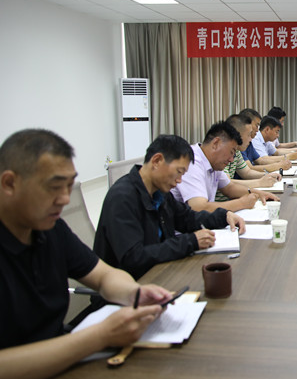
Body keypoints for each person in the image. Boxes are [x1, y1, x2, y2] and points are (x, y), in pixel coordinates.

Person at [0, 129, 173, 379]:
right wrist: (100, 336)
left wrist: (134, 293)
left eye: (69, 186)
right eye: (54, 187)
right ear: (9, 183)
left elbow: (103, 275)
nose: (64, 199)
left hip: (63, 358)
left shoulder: (51, 229)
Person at [94, 134, 245, 280]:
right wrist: (191, 241)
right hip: (131, 285)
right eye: (179, 172)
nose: (179, 181)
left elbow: (187, 218)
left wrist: (223, 216)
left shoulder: (160, 192)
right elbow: (133, 257)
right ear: (157, 161)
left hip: (161, 272)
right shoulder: (122, 197)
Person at [171, 121, 279, 212]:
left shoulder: (213, 162)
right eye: (231, 152)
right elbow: (199, 207)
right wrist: (241, 203)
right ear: (216, 143)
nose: (231, 159)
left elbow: (229, 188)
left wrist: (259, 193)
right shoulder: (193, 161)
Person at [215, 114, 282, 202]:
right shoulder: (221, 153)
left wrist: (267, 175)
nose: (251, 139)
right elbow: (228, 184)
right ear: (237, 134)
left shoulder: (237, 151)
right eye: (249, 135)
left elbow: (247, 172)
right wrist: (260, 182)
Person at [239, 108, 292, 174]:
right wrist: (278, 165)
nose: (257, 130)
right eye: (256, 125)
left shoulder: (249, 142)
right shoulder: (241, 144)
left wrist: (281, 163)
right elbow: (249, 169)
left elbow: (260, 160)